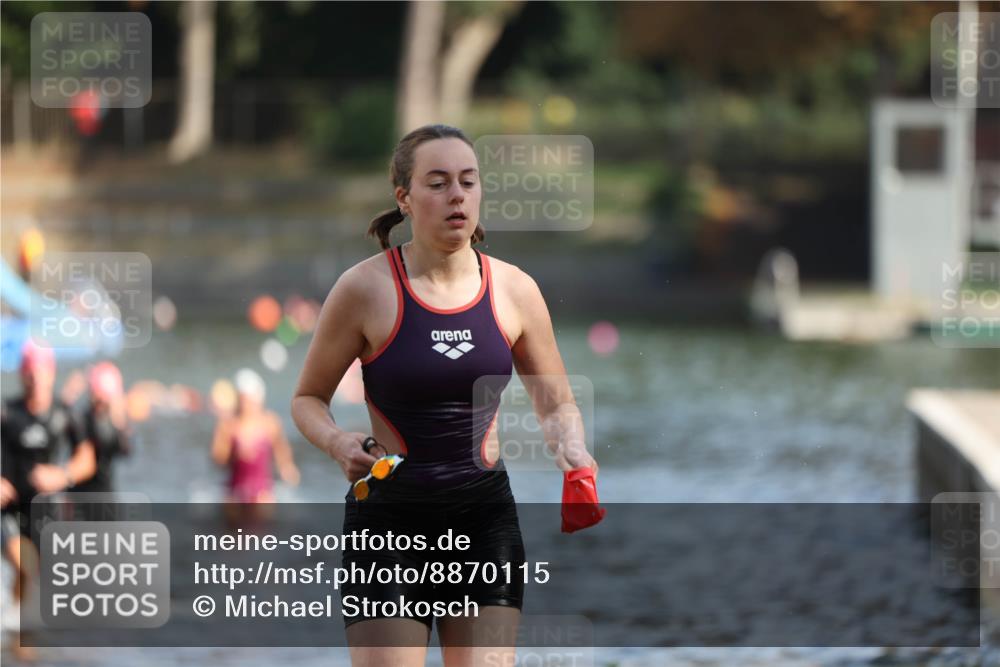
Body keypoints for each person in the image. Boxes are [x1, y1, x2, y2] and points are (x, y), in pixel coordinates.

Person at [291, 124, 597, 667]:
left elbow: (556, 402)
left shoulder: (515, 290)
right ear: (404, 198)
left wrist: (570, 445)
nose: (457, 195)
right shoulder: (363, 289)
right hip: (388, 522)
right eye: (437, 183)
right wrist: (339, 444)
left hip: (483, 519)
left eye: (468, 181)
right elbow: (307, 399)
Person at [1, 340, 96, 660]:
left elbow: (87, 459)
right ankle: (17, 634)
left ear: (52, 373)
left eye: (41, 371)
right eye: (29, 372)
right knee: (24, 566)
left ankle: (14, 636)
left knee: (30, 576)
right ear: (22, 375)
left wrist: (63, 475)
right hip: (7, 508)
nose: (35, 379)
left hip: (42, 510)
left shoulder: (64, 414)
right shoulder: (6, 413)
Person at [211, 368, 300, 504]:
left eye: (250, 400)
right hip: (235, 492)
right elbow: (218, 459)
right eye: (244, 400)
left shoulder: (270, 422)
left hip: (263, 493)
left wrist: (286, 467)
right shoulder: (228, 425)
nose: (247, 405)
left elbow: (281, 450)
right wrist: (235, 454)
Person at [71, 362, 131, 494]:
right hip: (80, 490)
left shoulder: (114, 421)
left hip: (104, 490)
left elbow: (126, 451)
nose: (101, 407)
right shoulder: (83, 419)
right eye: (98, 401)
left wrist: (119, 422)